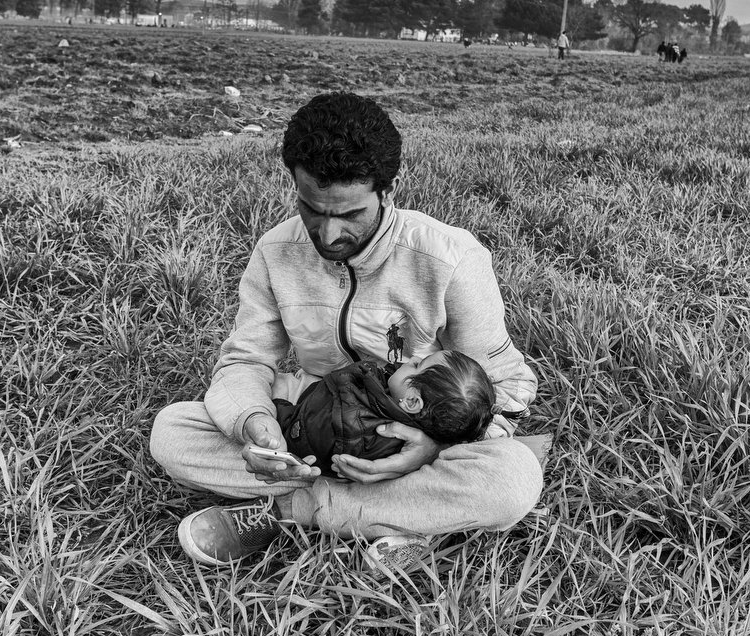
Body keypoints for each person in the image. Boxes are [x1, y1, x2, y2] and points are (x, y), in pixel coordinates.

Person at [149, 91, 543, 572]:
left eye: (351, 214)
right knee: (172, 431)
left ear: (388, 191)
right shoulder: (275, 252)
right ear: (295, 185)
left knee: (513, 478)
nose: (329, 235)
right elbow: (246, 361)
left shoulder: (451, 258)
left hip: (412, 438)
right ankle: (401, 518)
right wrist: (255, 425)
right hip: (310, 424)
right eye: (313, 209)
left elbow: (509, 384)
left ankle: (293, 510)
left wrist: (429, 450)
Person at [275, 351, 496, 475]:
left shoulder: (356, 421)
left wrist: (279, 409)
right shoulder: (391, 399)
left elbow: (307, 431)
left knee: (272, 388)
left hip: (297, 419)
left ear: (411, 401)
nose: (413, 358)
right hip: (313, 404)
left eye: (418, 365)